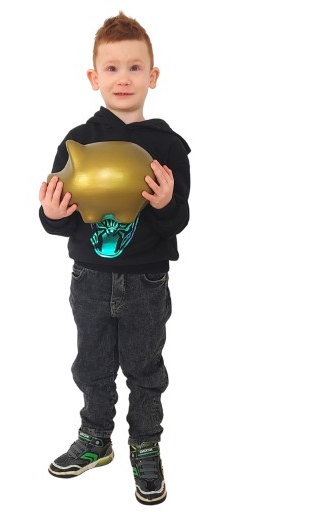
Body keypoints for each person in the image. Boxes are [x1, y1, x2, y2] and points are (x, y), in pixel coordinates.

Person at [38, 11, 191, 506]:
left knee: (145, 369)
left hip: (146, 280)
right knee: (92, 364)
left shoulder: (168, 145)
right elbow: (58, 218)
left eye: (134, 67)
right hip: (90, 278)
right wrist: (51, 213)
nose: (122, 78)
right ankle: (95, 437)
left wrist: (165, 203)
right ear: (94, 77)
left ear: (153, 76)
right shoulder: (78, 141)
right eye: (111, 68)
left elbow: (178, 219)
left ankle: (145, 445)